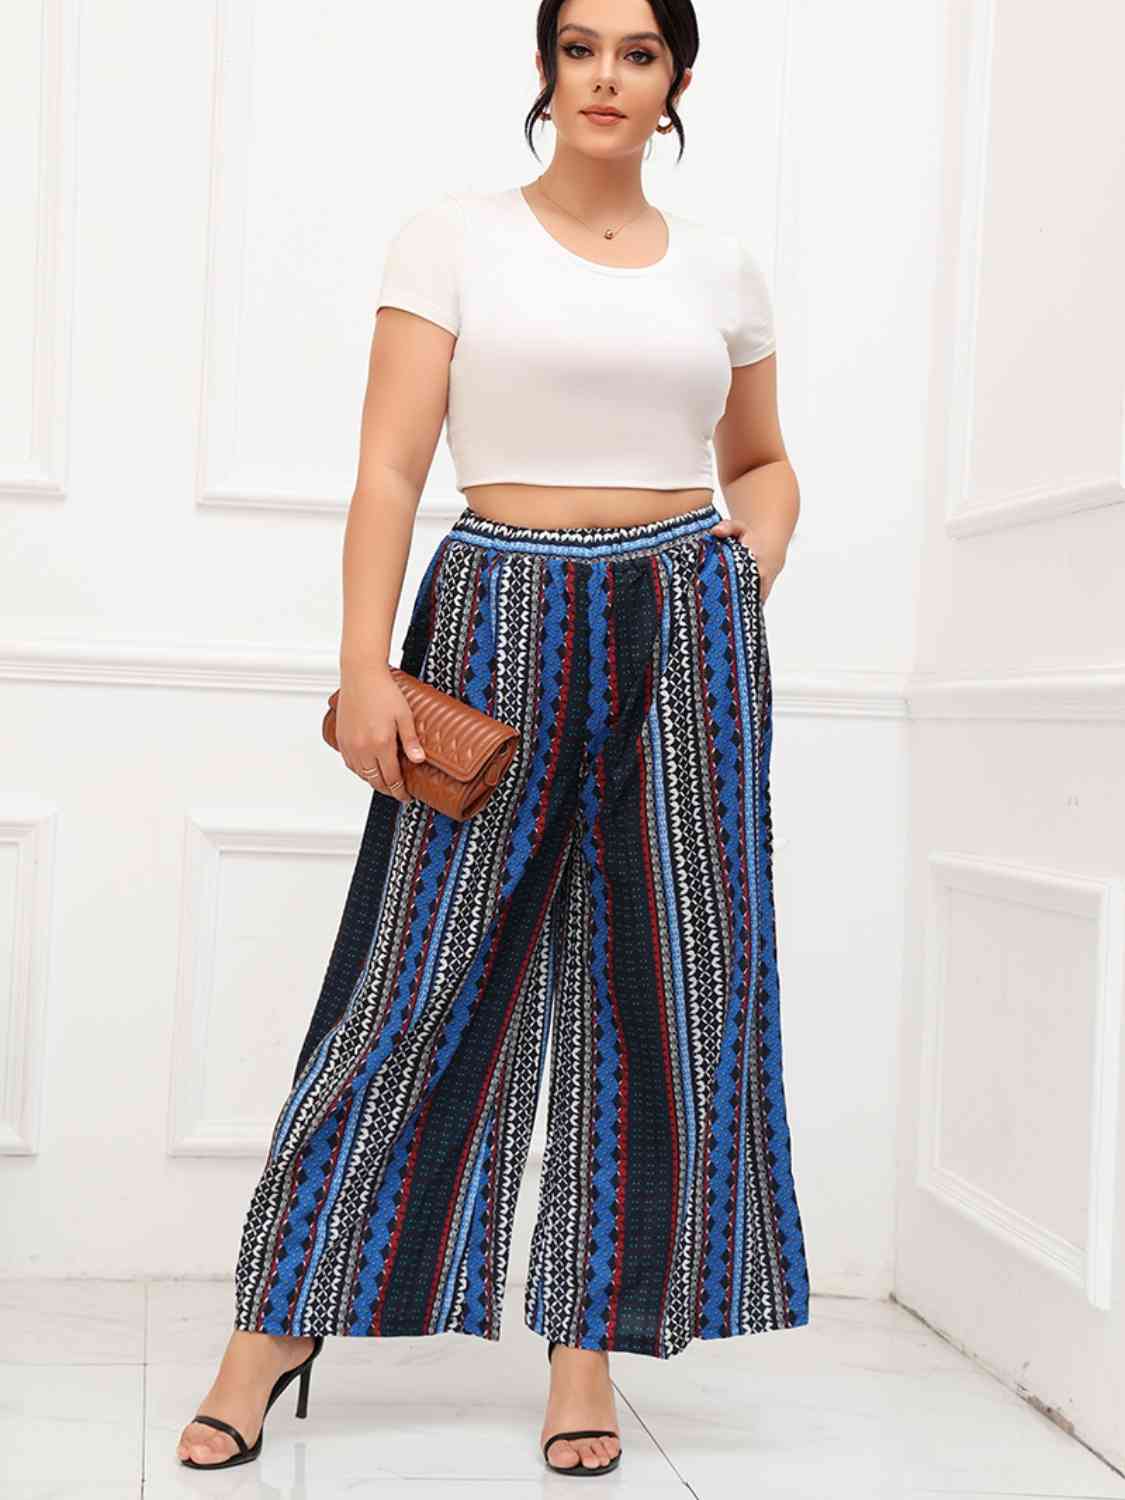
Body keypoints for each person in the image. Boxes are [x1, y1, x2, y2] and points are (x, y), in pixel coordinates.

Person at [177, 0, 808, 1477]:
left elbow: (765, 462)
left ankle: (588, 1352)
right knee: (414, 979)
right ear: (544, 67)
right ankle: (273, 1329)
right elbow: (391, 465)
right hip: (494, 617)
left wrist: (748, 566)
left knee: (663, 993)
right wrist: (364, 666)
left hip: (686, 624)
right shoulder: (453, 237)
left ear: (677, 79)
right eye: (581, 47)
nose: (606, 76)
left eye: (637, 53)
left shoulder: (721, 266)